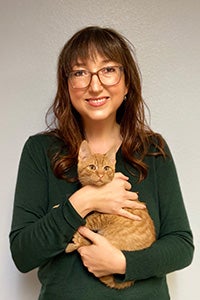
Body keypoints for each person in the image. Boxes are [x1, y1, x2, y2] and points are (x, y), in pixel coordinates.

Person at [9, 26, 194, 300]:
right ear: (67, 84)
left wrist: (122, 264)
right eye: (80, 72)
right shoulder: (41, 151)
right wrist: (86, 200)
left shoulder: (153, 150)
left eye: (108, 69)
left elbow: (181, 246)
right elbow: (23, 254)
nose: (95, 85)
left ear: (127, 82)